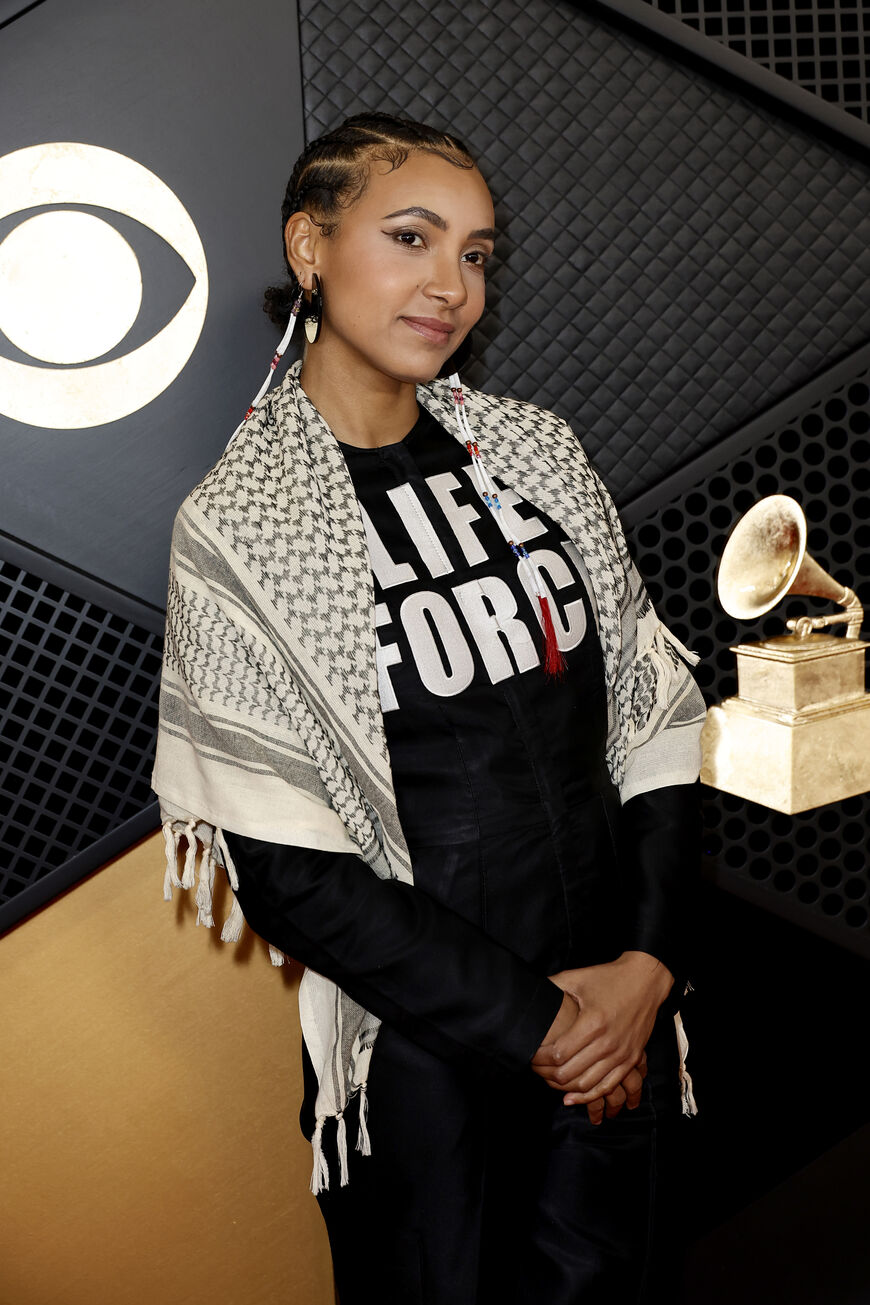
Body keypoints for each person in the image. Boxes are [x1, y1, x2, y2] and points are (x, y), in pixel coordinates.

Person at [152, 111, 707, 1305]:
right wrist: (547, 1026)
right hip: (429, 1061)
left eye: (477, 253)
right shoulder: (243, 527)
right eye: (412, 237)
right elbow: (292, 871)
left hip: (619, 1009)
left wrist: (646, 967)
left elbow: (656, 721)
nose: (451, 284)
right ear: (311, 246)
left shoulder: (537, 455)